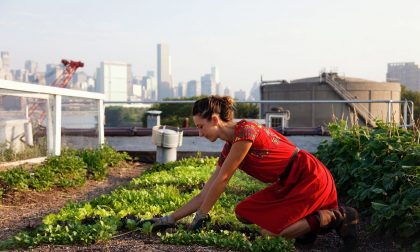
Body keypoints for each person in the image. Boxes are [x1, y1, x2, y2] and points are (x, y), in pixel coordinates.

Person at [142, 95, 359, 249]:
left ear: (215, 120)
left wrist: (201, 217)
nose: (199, 133)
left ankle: (337, 216)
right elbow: (205, 192)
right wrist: (168, 219)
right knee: (243, 212)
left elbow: (224, 179)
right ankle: (307, 227)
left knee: (272, 234)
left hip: (309, 176)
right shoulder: (229, 147)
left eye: (201, 126)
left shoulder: (245, 131)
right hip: (287, 183)